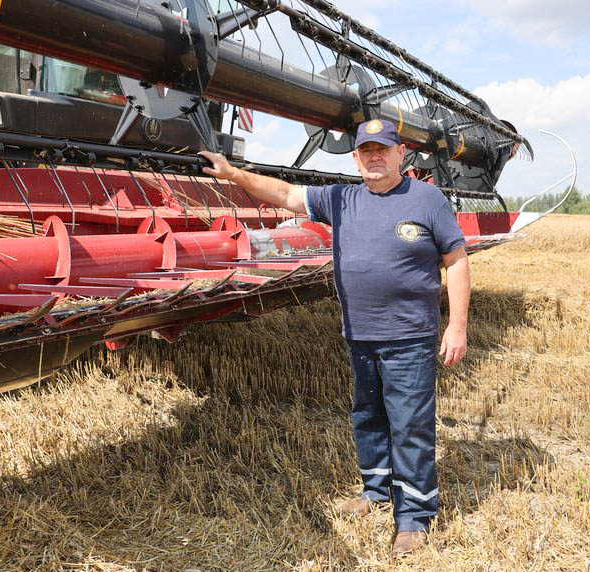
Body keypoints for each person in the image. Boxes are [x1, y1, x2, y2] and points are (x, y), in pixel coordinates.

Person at [199, 118, 470, 555]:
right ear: (356, 159)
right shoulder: (341, 198)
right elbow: (286, 194)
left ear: (401, 154)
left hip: (409, 337)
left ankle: (414, 517)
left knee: (409, 425)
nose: (374, 157)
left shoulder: (427, 200)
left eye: (383, 149)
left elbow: (456, 261)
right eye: (366, 151)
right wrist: (233, 174)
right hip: (359, 334)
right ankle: (376, 491)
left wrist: (457, 326)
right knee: (368, 416)